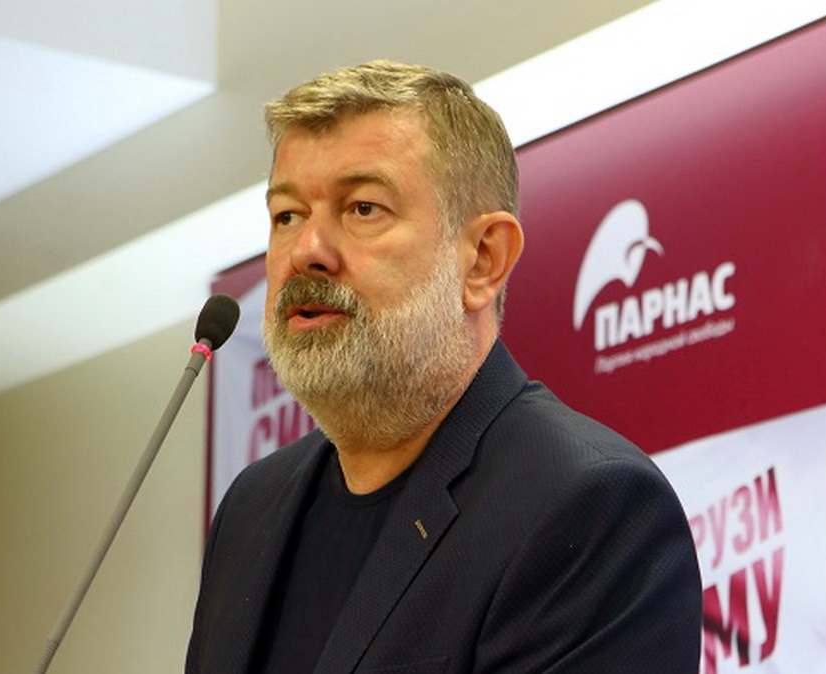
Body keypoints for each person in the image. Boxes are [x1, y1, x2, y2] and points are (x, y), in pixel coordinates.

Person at [185, 60, 701, 673]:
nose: (306, 252)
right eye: (287, 215)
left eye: (363, 208)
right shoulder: (251, 509)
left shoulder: (588, 506)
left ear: (483, 259)